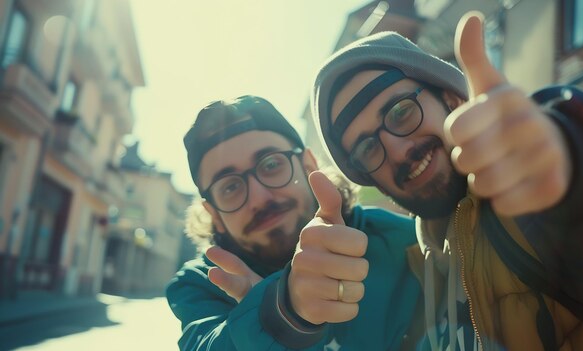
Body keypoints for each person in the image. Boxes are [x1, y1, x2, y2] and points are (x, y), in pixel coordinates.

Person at [310, 12, 583, 351]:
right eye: (368, 148)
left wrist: (576, 156)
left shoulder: (532, 202)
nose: (398, 151)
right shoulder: (418, 273)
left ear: (452, 99)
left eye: (401, 112)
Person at [166, 95, 422, 350]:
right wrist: (281, 315)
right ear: (214, 215)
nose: (259, 197)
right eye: (230, 187)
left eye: (271, 164)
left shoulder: (408, 242)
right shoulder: (200, 283)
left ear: (309, 166)